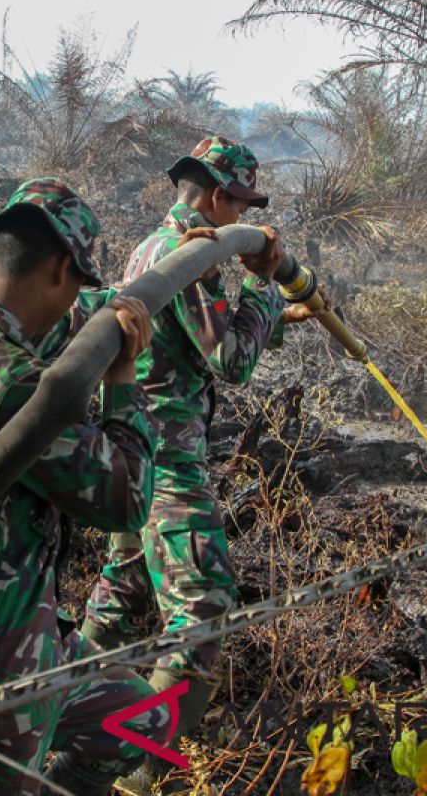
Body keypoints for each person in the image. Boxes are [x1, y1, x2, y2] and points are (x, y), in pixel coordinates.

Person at [0, 178, 170, 795]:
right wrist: (123, 379)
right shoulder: (14, 386)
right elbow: (125, 500)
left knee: (138, 718)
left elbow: (54, 329)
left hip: (24, 638)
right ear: (59, 270)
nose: (77, 299)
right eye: (77, 281)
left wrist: (168, 259)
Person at [81, 136, 321, 788]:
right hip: (165, 460)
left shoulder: (155, 248)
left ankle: (56, 721)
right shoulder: (189, 256)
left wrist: (271, 308)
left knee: (123, 592)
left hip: (138, 450)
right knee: (205, 606)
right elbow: (232, 361)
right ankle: (134, 771)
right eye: (243, 204)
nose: (244, 218)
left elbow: (197, 338)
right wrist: (264, 286)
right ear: (218, 196)